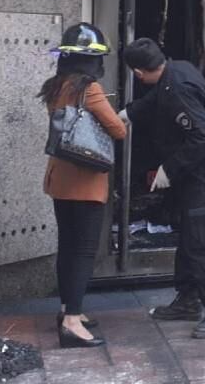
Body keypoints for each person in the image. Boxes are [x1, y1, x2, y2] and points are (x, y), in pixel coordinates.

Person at [120, 38, 205, 338]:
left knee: (204, 243)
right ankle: (187, 300)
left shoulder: (179, 89)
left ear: (137, 72)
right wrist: (130, 113)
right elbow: (157, 97)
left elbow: (202, 138)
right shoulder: (177, 69)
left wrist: (169, 169)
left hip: (204, 175)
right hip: (196, 174)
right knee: (189, 238)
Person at [40, 22, 126, 349]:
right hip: (85, 184)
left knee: (68, 247)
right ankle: (73, 323)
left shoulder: (56, 85)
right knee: (83, 251)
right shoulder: (88, 89)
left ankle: (66, 310)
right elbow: (118, 130)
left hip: (60, 179)